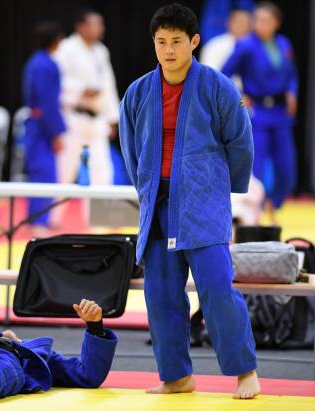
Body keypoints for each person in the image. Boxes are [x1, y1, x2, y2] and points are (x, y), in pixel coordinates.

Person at [119, 3, 260, 399]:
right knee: (161, 293)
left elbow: (240, 142)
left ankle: (244, 370)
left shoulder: (217, 86)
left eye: (176, 42)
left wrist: (218, 187)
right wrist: (147, 186)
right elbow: (131, 149)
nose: (168, 50)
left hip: (203, 204)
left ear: (193, 42)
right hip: (159, 206)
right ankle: (177, 375)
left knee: (216, 287)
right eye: (161, 42)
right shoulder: (138, 92)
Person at [222, 2, 298, 218]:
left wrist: (293, 92)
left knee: (286, 168)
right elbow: (225, 73)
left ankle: (274, 204)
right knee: (256, 167)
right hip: (257, 114)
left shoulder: (283, 43)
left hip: (281, 113)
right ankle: (254, 208)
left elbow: (291, 73)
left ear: (277, 23)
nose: (260, 25)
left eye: (266, 21)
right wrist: (239, 95)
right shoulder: (246, 45)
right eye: (257, 20)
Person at [53, 9, 120, 187]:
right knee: (64, 173)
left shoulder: (101, 51)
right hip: (73, 120)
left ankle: (97, 216)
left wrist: (113, 118)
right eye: (95, 24)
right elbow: (55, 81)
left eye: (101, 24)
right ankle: (53, 216)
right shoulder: (65, 49)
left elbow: (109, 86)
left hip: (97, 121)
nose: (101, 28)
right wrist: (80, 91)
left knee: (102, 173)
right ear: (80, 27)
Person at [22, 22, 67, 232]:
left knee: (40, 174)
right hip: (41, 128)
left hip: (37, 124)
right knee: (44, 175)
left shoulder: (37, 62)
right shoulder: (45, 65)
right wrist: (56, 132)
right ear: (56, 40)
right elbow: (47, 102)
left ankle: (38, 219)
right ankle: (38, 222)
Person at [199, 8, 251, 89]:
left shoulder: (256, 46)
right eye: (239, 22)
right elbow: (207, 78)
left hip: (253, 98)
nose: (242, 26)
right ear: (229, 23)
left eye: (246, 23)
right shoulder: (214, 46)